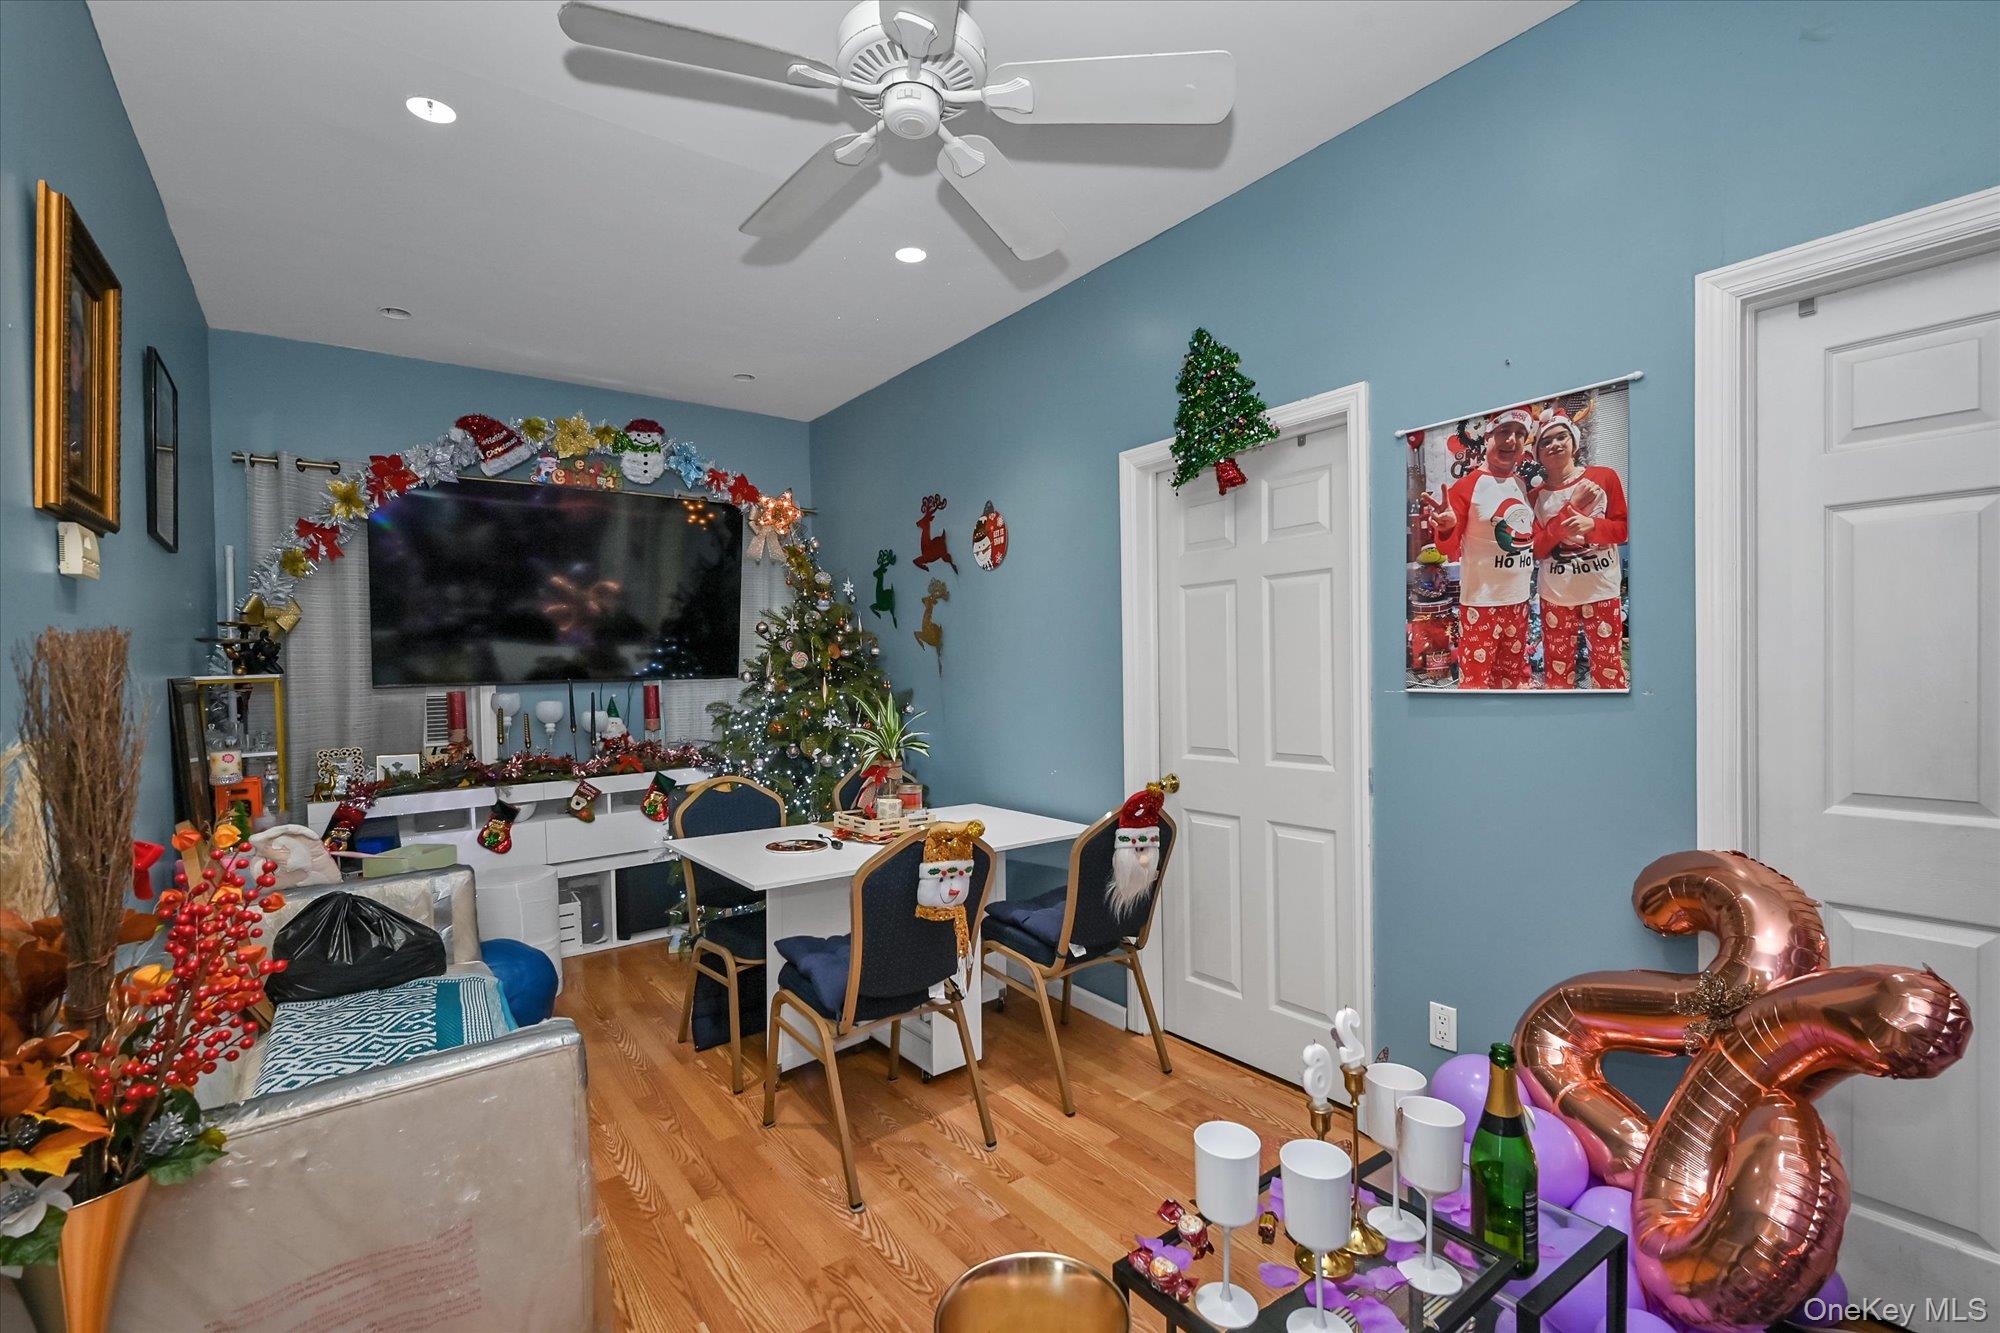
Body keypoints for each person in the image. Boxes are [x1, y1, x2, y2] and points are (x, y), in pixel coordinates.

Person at [1423, 409, 1537, 688]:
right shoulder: (1467, 486)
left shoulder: (1522, 485)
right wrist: (1447, 526)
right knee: (1475, 684)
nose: (1512, 440)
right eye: (1504, 432)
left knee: (1513, 682)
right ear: (1487, 437)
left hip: (1519, 602)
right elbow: (1448, 548)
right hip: (1481, 606)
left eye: (1520, 434)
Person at [1531, 413, 1628, 689]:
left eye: (1561, 436)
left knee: (1609, 671)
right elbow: (1536, 548)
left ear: (1574, 441)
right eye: (1546, 441)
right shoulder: (1535, 496)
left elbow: (1622, 530)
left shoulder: (1604, 477)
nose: (1555, 444)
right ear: (1537, 453)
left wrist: (1592, 525)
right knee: (1557, 675)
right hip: (1556, 595)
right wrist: (1564, 521)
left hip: (1601, 591)